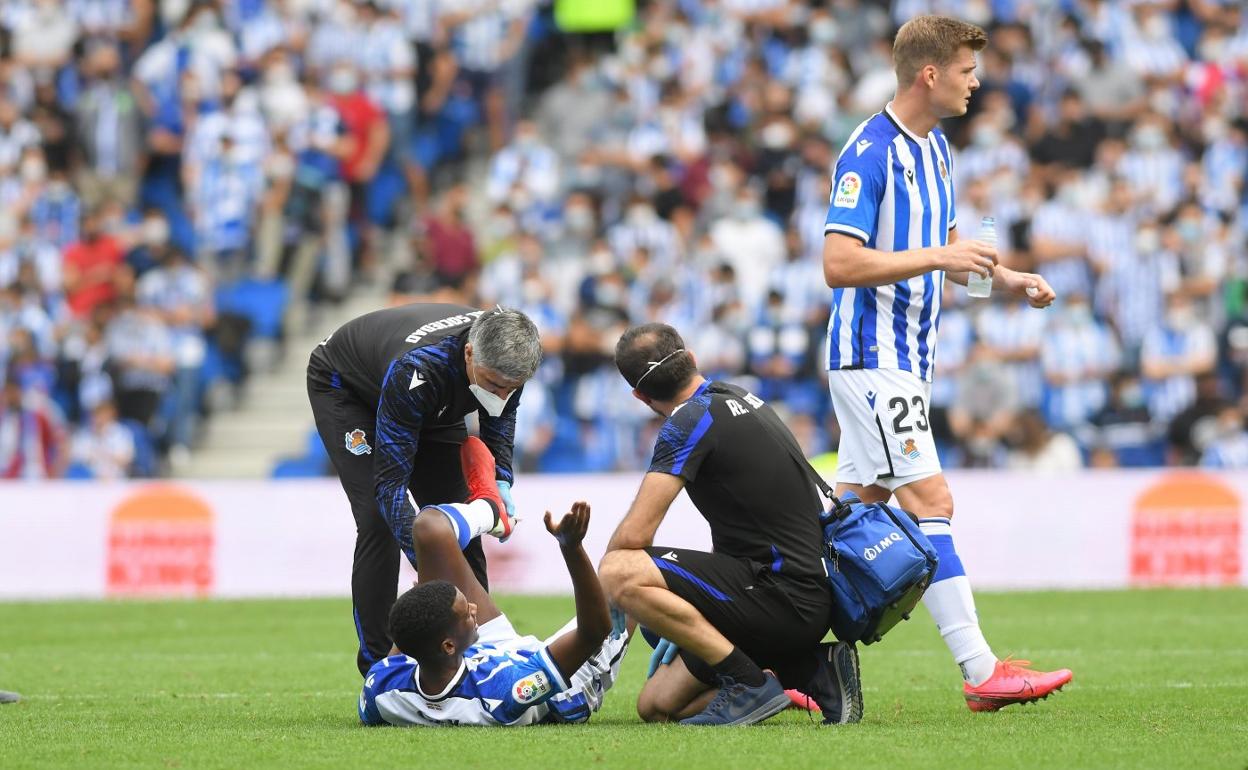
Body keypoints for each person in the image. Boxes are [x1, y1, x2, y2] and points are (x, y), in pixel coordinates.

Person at [820, 15, 1071, 712]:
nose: (977, 81)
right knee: (933, 503)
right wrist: (939, 257)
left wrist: (1010, 277)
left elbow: (953, 245)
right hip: (874, 356)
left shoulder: (937, 150)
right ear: (929, 74)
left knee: (850, 523)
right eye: (966, 71)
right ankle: (982, 670)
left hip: (908, 358)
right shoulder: (867, 152)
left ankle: (758, 652)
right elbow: (838, 264)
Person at [598, 323, 862, 727]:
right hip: (801, 594)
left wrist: (615, 594)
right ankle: (813, 670)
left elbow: (634, 538)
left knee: (618, 570)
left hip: (780, 595)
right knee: (655, 705)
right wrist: (688, 612)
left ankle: (748, 683)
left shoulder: (687, 421)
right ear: (691, 359)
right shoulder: (741, 395)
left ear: (639, 396)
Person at [307, 304, 541, 675]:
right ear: (469, 354)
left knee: (459, 517)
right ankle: (379, 665)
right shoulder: (418, 368)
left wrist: (501, 482)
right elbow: (389, 487)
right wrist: (432, 563)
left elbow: (499, 419)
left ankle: (476, 653)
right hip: (352, 390)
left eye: (511, 388)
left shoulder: (512, 356)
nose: (502, 394)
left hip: (430, 402)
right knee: (377, 520)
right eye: (494, 385)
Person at [359, 437, 627, 727]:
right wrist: (571, 548)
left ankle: (490, 508)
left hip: (475, 656)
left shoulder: (382, 689)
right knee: (624, 578)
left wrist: (418, 605)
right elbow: (594, 632)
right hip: (558, 685)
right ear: (449, 645)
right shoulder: (506, 693)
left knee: (429, 529)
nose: (474, 606)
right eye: (466, 612)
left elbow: (405, 644)